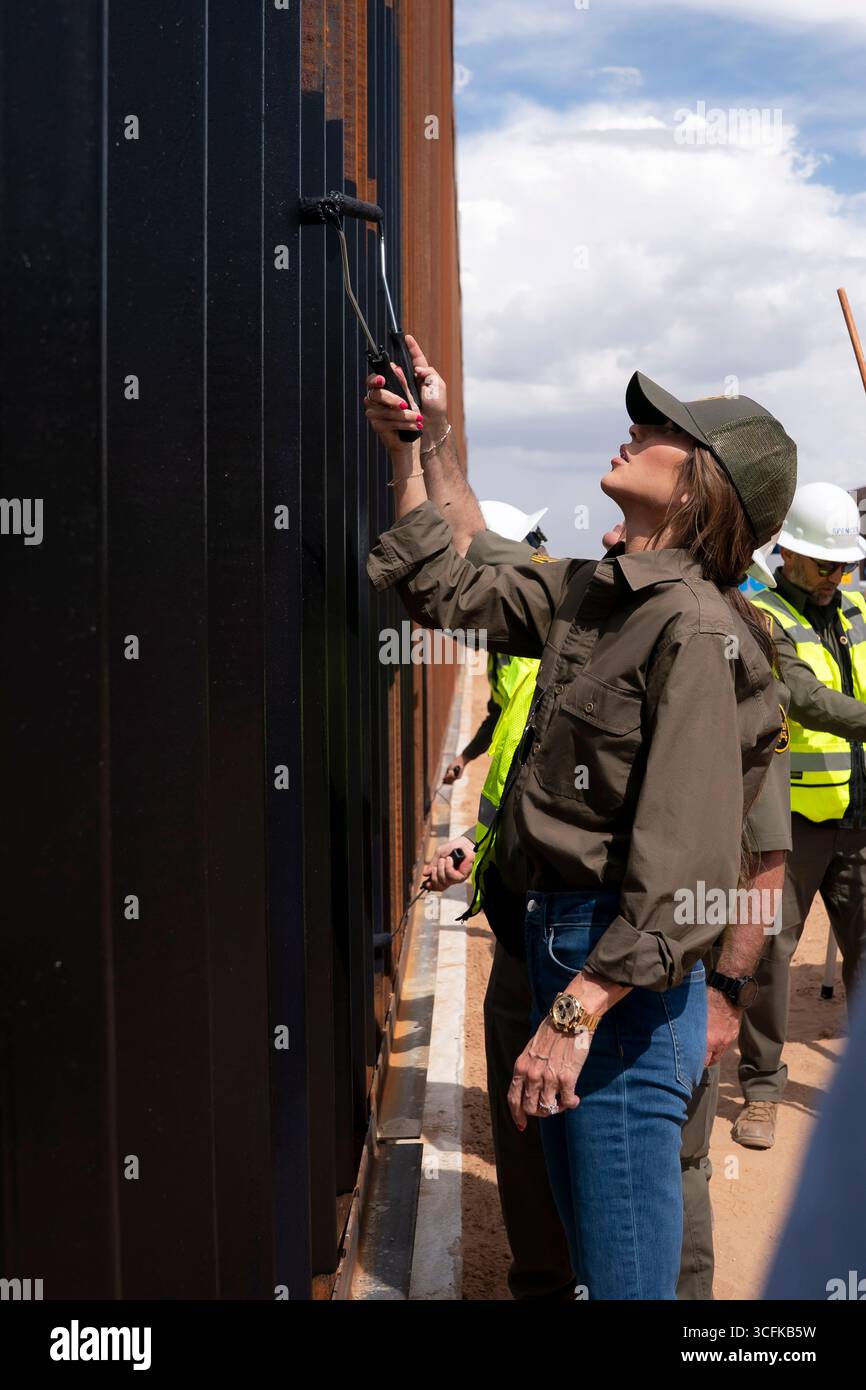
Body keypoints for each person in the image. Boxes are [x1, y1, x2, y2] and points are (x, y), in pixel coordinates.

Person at [363, 349, 797, 1299]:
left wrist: (575, 1014)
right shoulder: (598, 595)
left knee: (628, 1275)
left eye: (660, 430)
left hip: (621, 989)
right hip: (566, 950)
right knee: (586, 1264)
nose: (633, 432)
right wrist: (417, 440)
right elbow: (458, 572)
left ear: (702, 486)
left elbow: (686, 870)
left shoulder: (694, 627)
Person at [734, 481, 866, 1150]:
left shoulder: (860, 608)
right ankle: (761, 1087)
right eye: (823, 564)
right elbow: (806, 699)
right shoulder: (764, 620)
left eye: (843, 564)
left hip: (861, 820)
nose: (835, 576)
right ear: (786, 554)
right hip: (792, 824)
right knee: (771, 957)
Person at [441, 501, 547, 788]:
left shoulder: (551, 648)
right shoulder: (504, 651)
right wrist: (465, 757)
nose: (540, 554)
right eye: (534, 541)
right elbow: (499, 712)